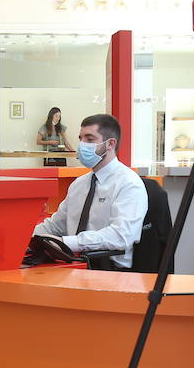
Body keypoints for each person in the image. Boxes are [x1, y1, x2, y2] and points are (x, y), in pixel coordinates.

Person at [31, 114, 147, 270]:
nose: (82, 144)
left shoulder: (129, 184)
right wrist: (25, 237)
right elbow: (55, 226)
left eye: (90, 139)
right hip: (72, 266)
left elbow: (121, 236)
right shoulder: (79, 184)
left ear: (110, 144)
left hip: (110, 270)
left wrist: (70, 243)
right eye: (81, 139)